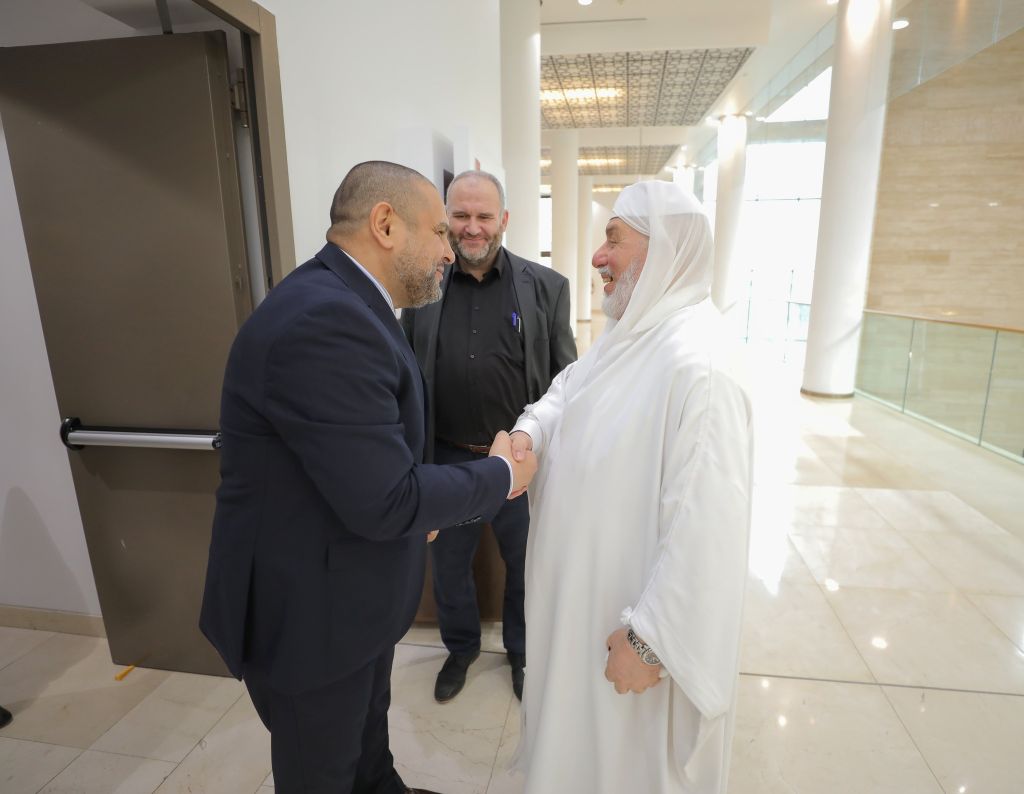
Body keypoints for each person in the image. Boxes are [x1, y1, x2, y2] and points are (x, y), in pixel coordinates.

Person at [199, 161, 537, 794]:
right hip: (309, 620)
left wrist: (412, 513)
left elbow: (362, 466)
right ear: (385, 224)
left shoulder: (353, 304)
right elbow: (386, 498)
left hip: (351, 601)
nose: (448, 250)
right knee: (323, 771)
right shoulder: (325, 320)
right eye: (439, 231)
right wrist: (501, 474)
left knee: (366, 752)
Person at [509, 180, 753, 793]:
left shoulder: (700, 365)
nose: (598, 256)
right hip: (579, 612)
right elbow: (567, 390)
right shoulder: (635, 335)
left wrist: (650, 643)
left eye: (614, 239)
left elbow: (708, 528)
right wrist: (529, 433)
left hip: (631, 640)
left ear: (665, 248)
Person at [401, 170, 576, 703]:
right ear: (445, 220)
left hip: (521, 463)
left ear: (504, 219)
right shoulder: (422, 286)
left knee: (525, 565)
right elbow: (405, 377)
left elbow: (567, 382)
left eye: (483, 216)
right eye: (460, 216)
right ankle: (461, 649)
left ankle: (521, 651)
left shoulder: (546, 288)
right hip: (447, 463)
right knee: (449, 567)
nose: (472, 227)